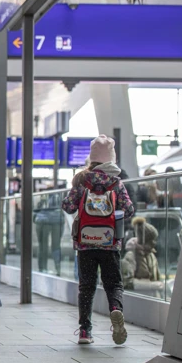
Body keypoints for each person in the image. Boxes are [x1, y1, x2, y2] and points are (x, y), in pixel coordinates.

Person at [62, 135, 134, 345]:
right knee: (113, 284)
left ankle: (85, 331)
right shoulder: (116, 182)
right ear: (111, 159)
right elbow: (129, 209)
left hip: (85, 242)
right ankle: (115, 310)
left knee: (86, 286)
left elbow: (68, 206)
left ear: (92, 158)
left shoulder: (81, 180)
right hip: (110, 242)